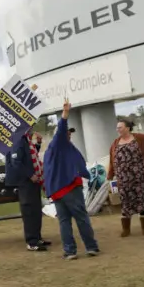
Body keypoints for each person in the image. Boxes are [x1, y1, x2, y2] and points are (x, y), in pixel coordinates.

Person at [43, 100, 100, 260]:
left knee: (64, 222)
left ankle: (70, 251)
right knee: (81, 218)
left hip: (57, 191)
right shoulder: (59, 144)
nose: (69, 134)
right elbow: (61, 130)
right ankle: (91, 247)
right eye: (67, 132)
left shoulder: (53, 150)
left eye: (70, 133)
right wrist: (65, 113)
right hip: (69, 188)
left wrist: (87, 175)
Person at [107, 119, 144, 236]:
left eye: (120, 127)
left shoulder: (139, 138)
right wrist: (110, 174)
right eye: (117, 128)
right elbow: (112, 159)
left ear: (127, 128)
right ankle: (126, 229)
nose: (118, 130)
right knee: (126, 201)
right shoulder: (116, 143)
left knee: (142, 200)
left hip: (140, 176)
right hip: (124, 179)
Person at [4, 130, 49, 251]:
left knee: (36, 209)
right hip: (25, 181)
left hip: (33, 180)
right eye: (30, 125)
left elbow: (30, 157)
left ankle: (37, 237)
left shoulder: (26, 140)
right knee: (29, 210)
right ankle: (31, 241)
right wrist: (30, 174)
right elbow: (16, 161)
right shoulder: (18, 139)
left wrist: (38, 144)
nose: (32, 128)